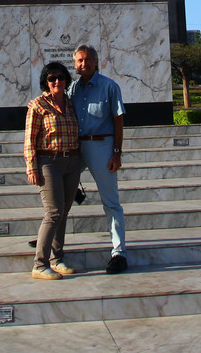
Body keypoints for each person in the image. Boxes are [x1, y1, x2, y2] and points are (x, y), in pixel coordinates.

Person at [68, 44, 127, 273]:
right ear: (75, 64)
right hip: (76, 147)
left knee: (110, 201)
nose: (84, 64)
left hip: (101, 146)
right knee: (59, 196)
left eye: (88, 60)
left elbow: (119, 120)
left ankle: (118, 252)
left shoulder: (109, 86)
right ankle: (51, 240)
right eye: (80, 60)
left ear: (96, 62)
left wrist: (117, 153)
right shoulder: (73, 89)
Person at [24, 61, 81, 280]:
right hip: (48, 162)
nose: (56, 81)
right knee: (54, 213)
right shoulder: (38, 105)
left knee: (63, 213)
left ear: (66, 80)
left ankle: (57, 260)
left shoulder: (70, 103)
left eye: (60, 77)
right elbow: (29, 140)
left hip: (71, 161)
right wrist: (32, 167)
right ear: (46, 82)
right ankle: (40, 264)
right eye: (51, 78)